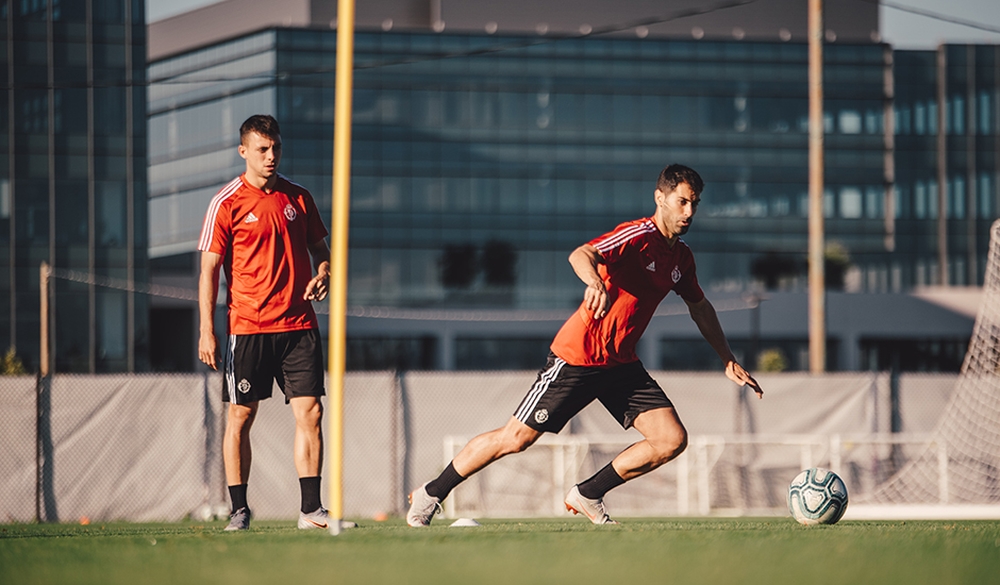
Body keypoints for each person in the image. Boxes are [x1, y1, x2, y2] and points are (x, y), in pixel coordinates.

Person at [406, 164, 763, 526]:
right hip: (577, 357)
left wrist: (726, 358)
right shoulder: (635, 236)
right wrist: (594, 281)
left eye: (695, 204)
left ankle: (588, 493)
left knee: (670, 439)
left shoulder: (681, 258)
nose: (689, 212)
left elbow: (700, 307)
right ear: (660, 198)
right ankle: (431, 492)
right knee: (515, 438)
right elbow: (581, 253)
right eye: (682, 202)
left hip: (620, 365)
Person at [198, 114, 342, 531]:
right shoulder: (226, 203)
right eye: (262, 149)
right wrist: (207, 329)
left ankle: (311, 511)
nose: (271, 156)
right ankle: (239, 510)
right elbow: (208, 270)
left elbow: (322, 251)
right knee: (241, 417)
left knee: (311, 413)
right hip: (247, 329)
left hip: (299, 326)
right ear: (243, 151)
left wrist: (324, 274)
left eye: (275, 147)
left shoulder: (298, 198)